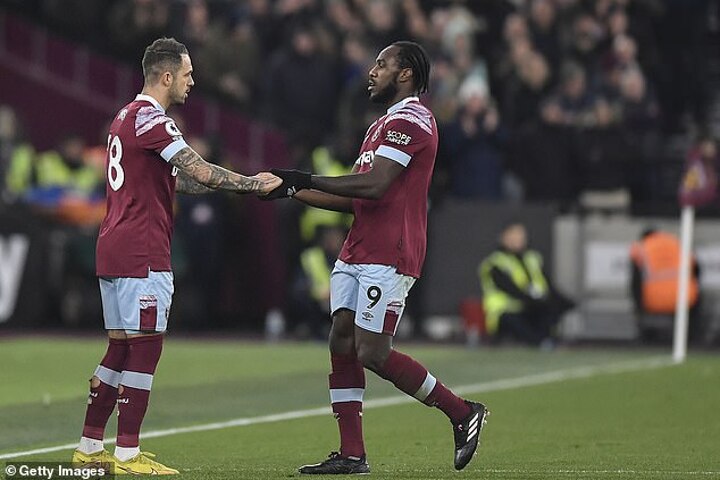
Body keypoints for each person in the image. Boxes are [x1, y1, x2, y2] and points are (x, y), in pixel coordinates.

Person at [265, 41, 488, 474]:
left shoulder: (414, 120)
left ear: (405, 74)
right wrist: (290, 190)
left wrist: (304, 177)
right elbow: (355, 199)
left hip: (391, 251)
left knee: (372, 351)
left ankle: (462, 412)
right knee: (341, 339)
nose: (372, 71)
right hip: (358, 247)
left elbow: (375, 185)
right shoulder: (380, 126)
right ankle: (352, 454)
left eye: (382, 64)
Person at [70, 37, 278, 474]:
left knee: (119, 350)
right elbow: (199, 169)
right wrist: (253, 184)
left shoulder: (124, 116)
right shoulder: (154, 120)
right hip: (142, 250)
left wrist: (231, 186)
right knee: (145, 351)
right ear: (166, 77)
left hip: (114, 247)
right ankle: (127, 454)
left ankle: (89, 447)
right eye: (187, 74)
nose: (192, 81)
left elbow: (174, 181)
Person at [479, 222, 574, 348]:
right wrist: (536, 300)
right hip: (505, 313)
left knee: (549, 310)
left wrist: (564, 302)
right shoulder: (495, 263)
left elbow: (548, 286)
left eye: (520, 235)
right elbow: (511, 289)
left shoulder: (532, 259)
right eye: (513, 235)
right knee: (517, 321)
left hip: (531, 307)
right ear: (503, 237)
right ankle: (539, 342)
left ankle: (548, 341)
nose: (517, 239)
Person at [630, 228, 700, 341]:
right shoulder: (677, 243)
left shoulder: (641, 248)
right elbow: (696, 270)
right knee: (691, 311)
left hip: (653, 300)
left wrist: (638, 306)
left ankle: (649, 340)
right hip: (683, 298)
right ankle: (690, 339)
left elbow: (635, 281)